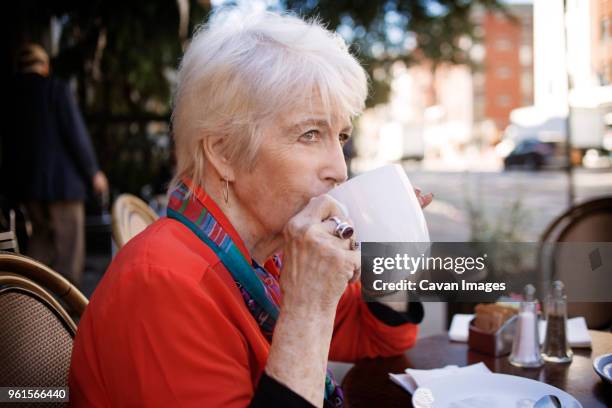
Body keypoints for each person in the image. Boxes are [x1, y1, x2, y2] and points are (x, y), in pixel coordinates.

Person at [69, 10, 432, 407]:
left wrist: (393, 247)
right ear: (224, 152)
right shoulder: (162, 284)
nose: (339, 169)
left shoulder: (271, 252)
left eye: (341, 136)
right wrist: (307, 309)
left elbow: (381, 338)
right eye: (310, 134)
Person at [1, 44, 109, 287]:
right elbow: (75, 134)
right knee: (69, 249)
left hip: (28, 186)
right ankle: (67, 305)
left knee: (40, 238)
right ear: (45, 66)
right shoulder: (55, 89)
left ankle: (29, 294)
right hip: (63, 184)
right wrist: (93, 172)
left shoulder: (10, 96)